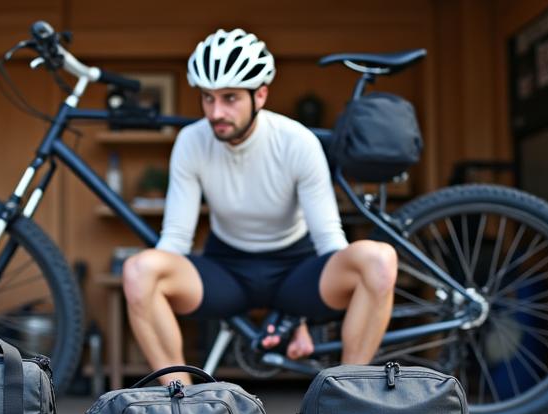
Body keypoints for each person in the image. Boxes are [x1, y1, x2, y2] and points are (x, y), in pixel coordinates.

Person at [122, 28, 398, 386]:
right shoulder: (192, 141)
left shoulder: (297, 141)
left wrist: (306, 318)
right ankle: (182, 404)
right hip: (227, 271)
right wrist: (152, 277)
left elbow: (330, 241)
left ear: (261, 94)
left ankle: (347, 397)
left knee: (379, 260)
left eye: (230, 98)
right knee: (139, 272)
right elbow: (175, 241)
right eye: (207, 98)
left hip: (296, 271)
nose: (216, 112)